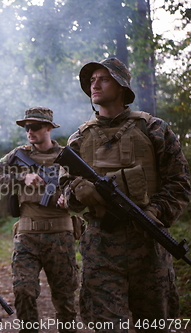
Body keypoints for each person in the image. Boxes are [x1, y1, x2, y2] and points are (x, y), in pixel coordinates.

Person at [59, 57, 190, 332]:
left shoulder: (154, 129)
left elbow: (179, 184)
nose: (95, 84)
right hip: (101, 249)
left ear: (121, 86)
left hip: (149, 247)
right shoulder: (78, 139)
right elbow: (64, 191)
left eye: (103, 79)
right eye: (91, 80)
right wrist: (77, 190)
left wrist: (154, 212)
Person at [0, 106, 79, 333]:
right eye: (27, 127)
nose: (30, 131)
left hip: (60, 236)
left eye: (35, 127)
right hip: (27, 235)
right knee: (23, 291)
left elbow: (84, 186)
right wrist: (22, 177)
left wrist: (70, 200)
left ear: (48, 128)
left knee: (65, 299)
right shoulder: (18, 155)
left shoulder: (67, 157)